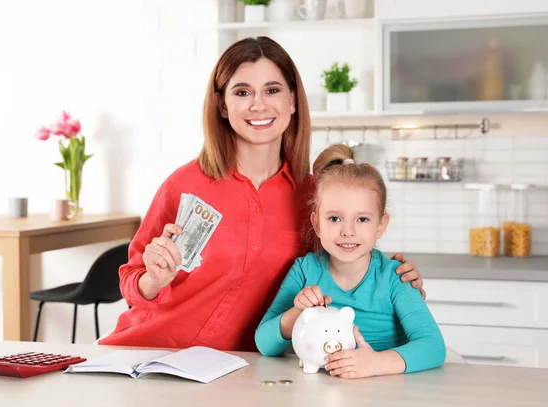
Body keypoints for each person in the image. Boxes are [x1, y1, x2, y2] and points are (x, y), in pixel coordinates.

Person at [99, 36, 424, 351]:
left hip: (247, 368)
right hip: (150, 354)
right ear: (222, 105)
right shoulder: (184, 184)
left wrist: (395, 281)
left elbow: (345, 274)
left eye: (272, 90)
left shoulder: (316, 197)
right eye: (242, 92)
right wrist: (153, 279)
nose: (258, 104)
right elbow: (132, 282)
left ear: (292, 100)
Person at [254, 144, 446, 377]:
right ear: (316, 223)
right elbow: (264, 343)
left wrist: (375, 363)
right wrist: (298, 312)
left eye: (362, 219)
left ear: (381, 225)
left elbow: (433, 347)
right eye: (334, 218)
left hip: (386, 390)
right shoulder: (304, 271)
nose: (348, 231)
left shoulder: (395, 277)